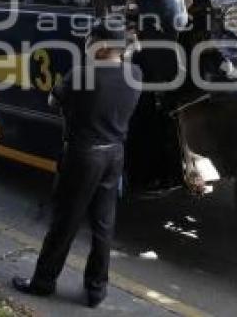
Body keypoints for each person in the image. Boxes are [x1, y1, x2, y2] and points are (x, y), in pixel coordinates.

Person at [12, 20, 142, 308]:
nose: (87, 44)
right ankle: (96, 290)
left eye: (90, 39)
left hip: (84, 155)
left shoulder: (82, 74)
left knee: (64, 223)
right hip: (114, 154)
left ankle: (43, 282)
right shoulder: (135, 73)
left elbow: (52, 101)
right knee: (103, 225)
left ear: (102, 44)